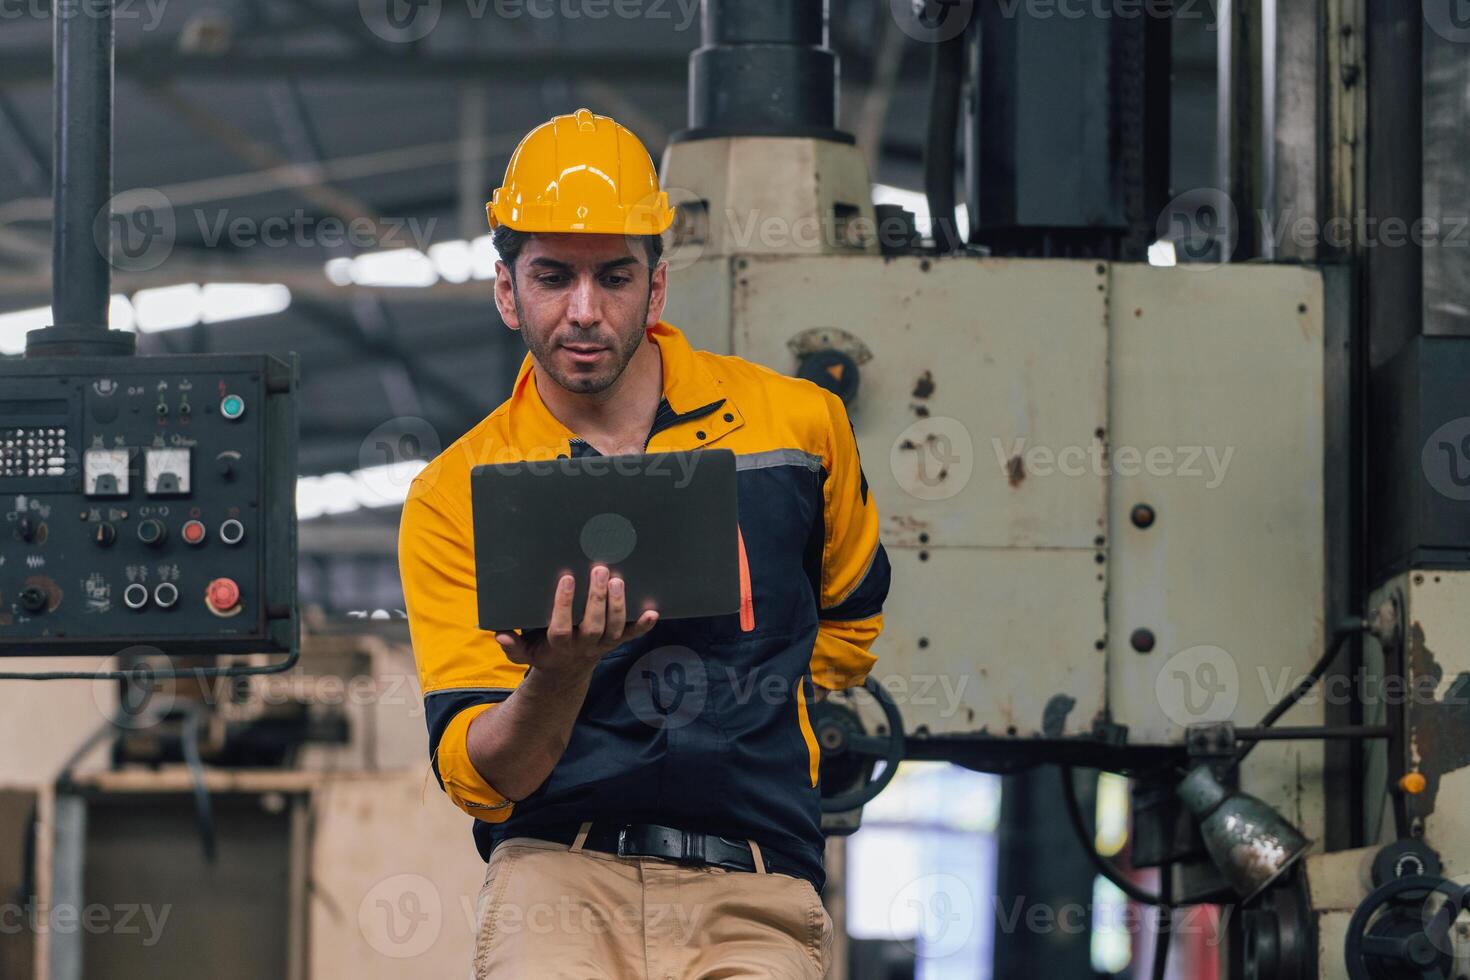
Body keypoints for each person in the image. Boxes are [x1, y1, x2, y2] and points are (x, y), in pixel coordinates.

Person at [398, 107, 891, 980]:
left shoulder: (801, 429)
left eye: (614, 278)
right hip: (558, 879)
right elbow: (484, 776)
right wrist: (559, 673)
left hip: (758, 882)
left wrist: (760, 718)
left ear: (656, 289)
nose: (584, 312)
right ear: (507, 290)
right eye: (553, 277)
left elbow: (848, 626)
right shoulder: (455, 494)